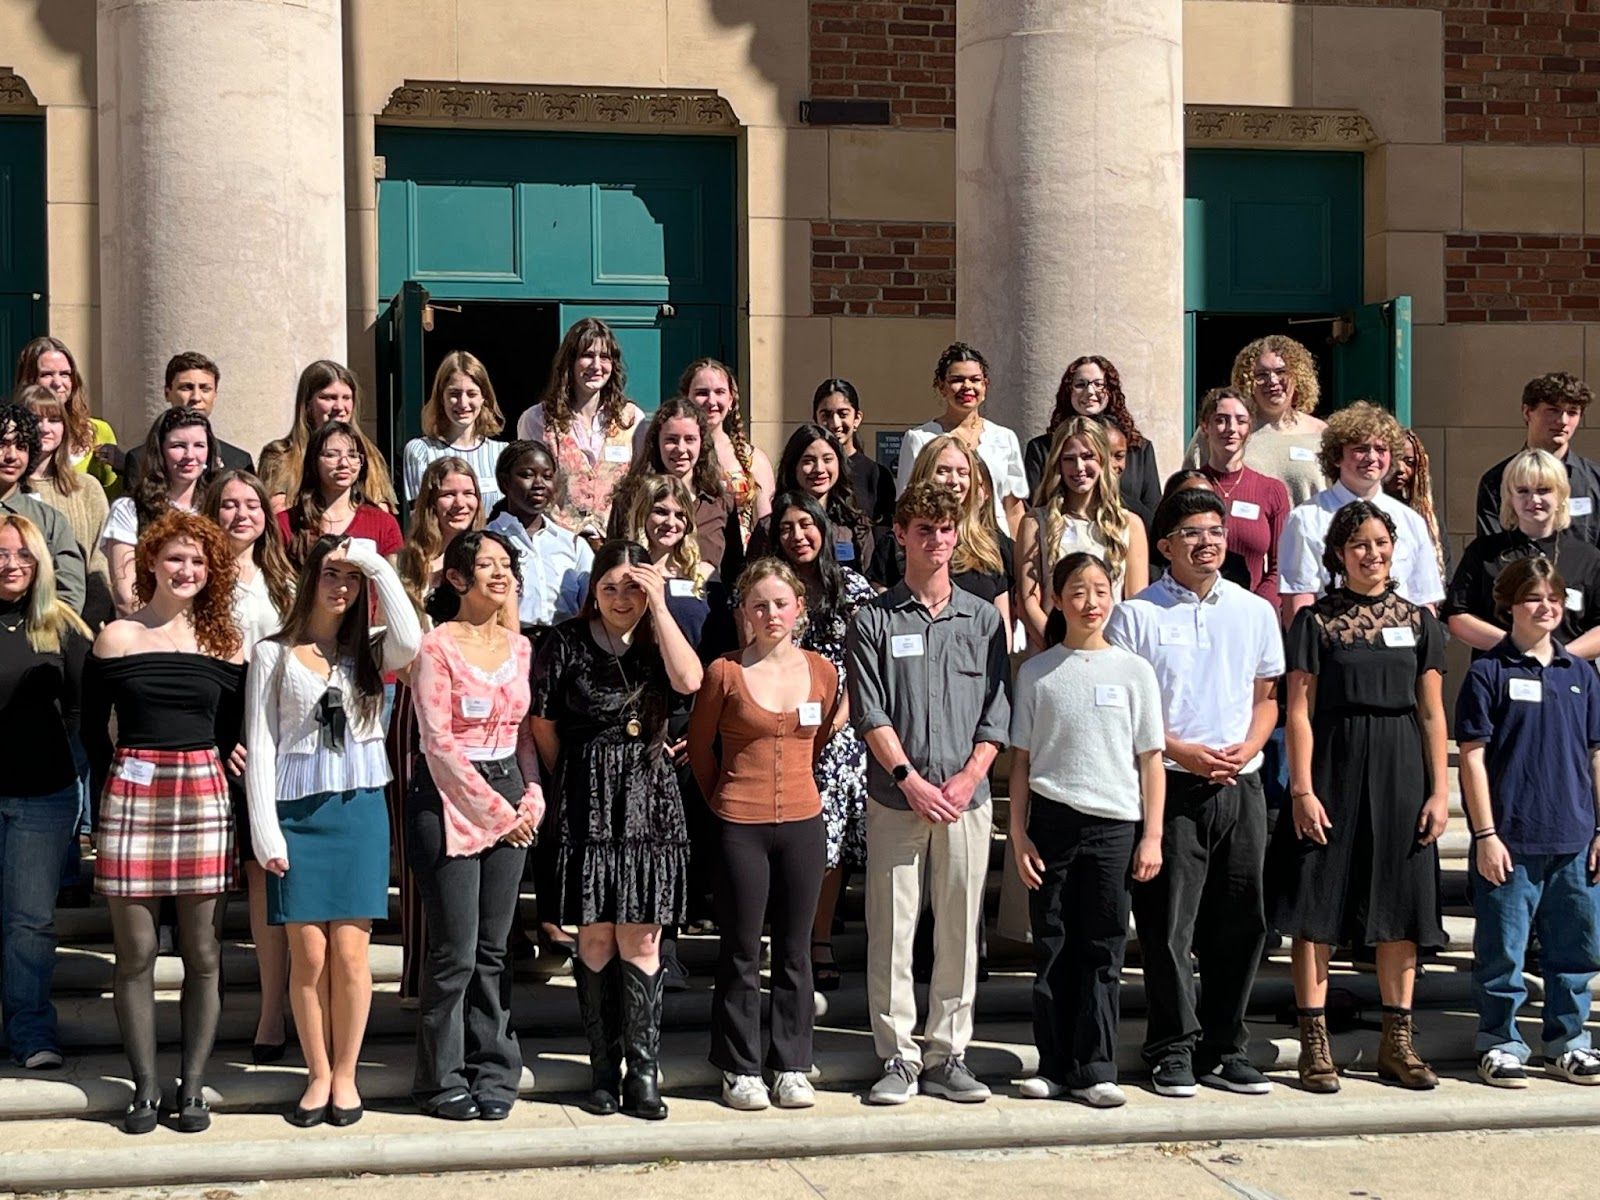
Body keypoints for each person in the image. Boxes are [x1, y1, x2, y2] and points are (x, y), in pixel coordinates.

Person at [1106, 486, 1283, 1099]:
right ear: (1164, 547)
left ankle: (1224, 1046)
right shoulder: (1136, 615)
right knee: (1169, 928)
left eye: (1215, 531)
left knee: (1241, 925)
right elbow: (1131, 709)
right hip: (1172, 787)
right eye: (1192, 534)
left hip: (1242, 784)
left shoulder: (1252, 611)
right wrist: (1180, 750)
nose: (1208, 542)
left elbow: (1267, 699)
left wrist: (1246, 746)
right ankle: (1172, 1048)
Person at [1267, 500, 1450, 1094]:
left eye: (1381, 542)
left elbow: (1431, 710)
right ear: (1339, 555)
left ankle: (1397, 1043)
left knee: (1400, 903)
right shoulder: (1315, 622)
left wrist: (1439, 790)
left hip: (1402, 770)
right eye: (1359, 545)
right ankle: (1314, 1045)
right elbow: (1298, 709)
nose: (1372, 554)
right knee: (1317, 903)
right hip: (1334, 767)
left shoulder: (1421, 622)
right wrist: (1301, 788)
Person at [246, 534, 420, 1127]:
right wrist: (265, 831)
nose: (340, 586)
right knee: (309, 956)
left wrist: (374, 563)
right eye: (330, 574)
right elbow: (263, 744)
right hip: (296, 814)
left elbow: (412, 639)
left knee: (350, 955)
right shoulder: (273, 653)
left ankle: (346, 1074)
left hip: (358, 811)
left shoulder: (371, 651)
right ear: (309, 579)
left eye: (351, 578)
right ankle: (316, 1072)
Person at [82, 510, 246, 1135]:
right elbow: (94, 731)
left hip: (203, 794)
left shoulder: (225, 643)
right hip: (132, 793)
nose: (187, 570)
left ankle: (194, 1087)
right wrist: (110, 791)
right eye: (176, 558)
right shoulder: (115, 639)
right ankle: (145, 1088)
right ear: (150, 562)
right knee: (137, 953)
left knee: (204, 951)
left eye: (199, 562)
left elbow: (232, 733)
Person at [848, 481, 1010, 1105]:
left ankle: (950, 1054)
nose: (936, 540)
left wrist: (971, 775)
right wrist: (908, 781)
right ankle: (898, 1057)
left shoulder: (984, 618)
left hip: (967, 800)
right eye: (923, 530)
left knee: (960, 930)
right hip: (898, 800)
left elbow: (998, 708)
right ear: (901, 535)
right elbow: (870, 713)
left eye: (946, 529)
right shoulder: (874, 618)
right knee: (891, 929)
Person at [531, 540, 704, 1120]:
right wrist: (579, 778)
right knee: (597, 936)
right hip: (586, 797)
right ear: (592, 591)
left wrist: (660, 605)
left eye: (633, 587)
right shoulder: (564, 643)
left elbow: (689, 681)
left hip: (649, 802)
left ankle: (644, 1071)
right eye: (610, 587)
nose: (621, 598)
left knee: (643, 937)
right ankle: (603, 1069)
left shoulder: (660, 639)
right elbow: (545, 725)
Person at [1010, 552, 1164, 1107]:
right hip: (1051, 822)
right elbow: (1022, 762)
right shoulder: (1037, 671)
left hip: (1115, 824)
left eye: (1101, 590)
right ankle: (1052, 1065)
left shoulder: (1133, 670)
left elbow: (1151, 760)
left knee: (1103, 948)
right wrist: (1019, 833)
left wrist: (1152, 835)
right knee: (1053, 944)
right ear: (1056, 598)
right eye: (1078, 591)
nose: (1090, 602)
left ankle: (1096, 1067)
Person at [688, 558, 840, 1111]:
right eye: (759, 605)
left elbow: (816, 740)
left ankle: (792, 1063)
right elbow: (702, 753)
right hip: (739, 826)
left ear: (799, 606)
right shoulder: (724, 673)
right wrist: (725, 801)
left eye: (780, 603)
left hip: (803, 823)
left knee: (797, 949)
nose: (771, 613)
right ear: (744, 613)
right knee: (741, 949)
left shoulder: (822, 672)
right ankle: (739, 1066)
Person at [405, 530, 542, 1121]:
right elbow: (436, 744)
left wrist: (532, 798)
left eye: (505, 563)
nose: (500, 572)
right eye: (486, 564)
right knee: (454, 951)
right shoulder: (435, 647)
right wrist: (497, 814)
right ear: (457, 579)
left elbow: (524, 733)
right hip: (448, 796)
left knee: (492, 949)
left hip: (508, 788)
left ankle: (495, 1068)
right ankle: (440, 1079)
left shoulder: (522, 647)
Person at [1457, 555, 1600, 1088]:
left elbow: (1595, 754)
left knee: (1575, 949)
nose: (1546, 608)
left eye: (1554, 599)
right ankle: (1499, 1040)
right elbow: (1472, 756)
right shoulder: (1488, 672)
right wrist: (1485, 834)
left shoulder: (1580, 673)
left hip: (1574, 835)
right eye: (1534, 598)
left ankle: (1569, 1040)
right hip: (1511, 837)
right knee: (1502, 950)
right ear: (1510, 606)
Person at [761, 491, 876, 991]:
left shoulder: (850, 586)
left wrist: (834, 722)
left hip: (838, 728)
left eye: (806, 524)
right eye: (786, 527)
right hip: (778, 726)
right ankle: (785, 936)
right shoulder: (768, 588)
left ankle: (819, 938)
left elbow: (866, 664)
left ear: (824, 529)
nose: (797, 535)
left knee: (827, 841)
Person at [199, 470, 296, 1061]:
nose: (241, 514)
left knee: (268, 881)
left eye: (251, 504)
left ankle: (272, 1011)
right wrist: (218, 738)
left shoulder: (286, 578)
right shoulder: (201, 579)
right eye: (229, 505)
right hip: (222, 735)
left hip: (283, 736)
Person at [390, 457, 489, 1002]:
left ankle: (471, 979)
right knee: (423, 851)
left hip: (481, 721)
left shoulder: (491, 557)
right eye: (447, 494)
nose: (459, 503)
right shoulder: (406, 564)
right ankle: (418, 977)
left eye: (468, 493)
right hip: (417, 713)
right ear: (429, 501)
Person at [0, 514, 92, 1071]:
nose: (11, 565)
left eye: (22, 555)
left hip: (42, 797)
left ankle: (31, 1031)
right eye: (1, 553)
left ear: (39, 564)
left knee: (29, 920)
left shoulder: (63, 627)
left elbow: (82, 712)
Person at [1278, 402, 1446, 623]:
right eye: (1360, 449)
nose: (1372, 457)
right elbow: (1299, 599)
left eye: (1381, 449)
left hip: (1401, 646)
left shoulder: (1410, 520)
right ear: (1337, 456)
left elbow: (1424, 600)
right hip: (1335, 646)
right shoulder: (1306, 518)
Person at [1445, 449, 1600, 660]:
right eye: (1523, 491)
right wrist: (1514, 648)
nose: (1533, 499)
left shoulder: (1588, 558)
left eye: (1544, 490)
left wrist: (1559, 657)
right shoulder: (1485, 552)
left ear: (1561, 494)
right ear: (1509, 497)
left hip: (1570, 677)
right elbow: (1457, 616)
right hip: (1501, 673)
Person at [1017, 418, 1149, 650]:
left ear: (1103, 460)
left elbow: (1136, 603)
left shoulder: (1130, 524)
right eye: (1069, 459)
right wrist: (1057, 648)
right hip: (1051, 651)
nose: (1078, 467)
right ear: (1057, 463)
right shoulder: (1035, 523)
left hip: (1112, 652)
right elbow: (1028, 600)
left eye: (1088, 457)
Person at [517, 318, 644, 541]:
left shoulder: (632, 419)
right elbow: (525, 488)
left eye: (604, 357)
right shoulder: (537, 419)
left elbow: (645, 484)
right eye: (587, 355)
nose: (596, 366)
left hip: (616, 543)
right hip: (557, 543)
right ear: (570, 362)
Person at [872, 436, 1013, 624]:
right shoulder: (895, 543)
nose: (954, 480)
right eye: (943, 471)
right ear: (925, 473)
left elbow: (1003, 626)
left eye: (963, 473)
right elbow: (882, 619)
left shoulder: (991, 544)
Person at [894, 342, 1028, 534]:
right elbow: (906, 504)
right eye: (957, 380)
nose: (967, 387)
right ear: (941, 386)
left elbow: (1014, 509)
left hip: (995, 545)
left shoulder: (1004, 438)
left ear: (985, 385)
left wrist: (1017, 556)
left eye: (975, 380)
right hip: (940, 541)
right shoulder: (920, 438)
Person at [613, 398, 744, 581]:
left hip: (708, 606)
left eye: (690, 439)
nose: (681, 449)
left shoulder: (719, 502)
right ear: (656, 442)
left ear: (702, 443)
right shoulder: (630, 498)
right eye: (671, 440)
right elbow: (612, 563)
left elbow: (735, 569)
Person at [1187, 335, 1328, 506]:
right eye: (1261, 375)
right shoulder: (1223, 430)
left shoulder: (1321, 434)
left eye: (1281, 372)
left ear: (1298, 376)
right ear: (1247, 382)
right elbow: (1188, 487)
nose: (1273, 381)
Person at [104, 407, 215, 615]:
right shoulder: (130, 509)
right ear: (160, 451)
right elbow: (125, 595)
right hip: (147, 631)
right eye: (178, 446)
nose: (190, 455)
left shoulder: (217, 507)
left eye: (199, 445)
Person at [18, 384, 112, 627]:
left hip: (79, 616)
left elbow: (101, 559)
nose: (45, 428)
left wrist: (87, 620)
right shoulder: (9, 490)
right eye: (35, 419)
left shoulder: (87, 487)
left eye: (54, 419)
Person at [1024, 356, 1161, 521]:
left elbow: (1153, 513)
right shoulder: (1042, 448)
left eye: (1098, 384)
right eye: (1080, 385)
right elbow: (1035, 505)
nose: (1090, 392)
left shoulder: (1138, 448)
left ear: (1110, 391)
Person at [256, 360, 399, 514]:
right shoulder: (281, 456)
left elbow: (382, 510)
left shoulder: (369, 454)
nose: (339, 407)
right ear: (308, 404)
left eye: (346, 398)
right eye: (329, 398)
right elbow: (275, 511)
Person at [1475, 372, 1600, 545]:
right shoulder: (1497, 480)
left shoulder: (1594, 481)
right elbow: (1491, 554)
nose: (1563, 421)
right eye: (1553, 410)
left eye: (1572, 412)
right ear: (1527, 412)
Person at [1194, 386, 1290, 604]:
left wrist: (1257, 608)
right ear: (1205, 426)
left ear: (1250, 428)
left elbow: (1280, 567)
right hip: (1194, 608)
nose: (1231, 428)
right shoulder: (1187, 485)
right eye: (1221, 420)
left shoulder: (1271, 490)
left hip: (1253, 611)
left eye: (1241, 421)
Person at [488, 440, 593, 631]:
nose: (539, 484)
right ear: (505, 482)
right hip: (510, 642)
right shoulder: (487, 540)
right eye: (527, 475)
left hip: (563, 647)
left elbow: (589, 602)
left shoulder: (573, 544)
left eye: (547, 476)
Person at [278, 421, 403, 570]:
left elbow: (395, 584)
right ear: (313, 461)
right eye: (331, 455)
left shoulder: (383, 523)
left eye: (352, 455)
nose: (344, 463)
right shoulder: (285, 523)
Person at [675, 358, 775, 538]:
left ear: (731, 399)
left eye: (719, 392)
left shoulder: (754, 459)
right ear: (686, 398)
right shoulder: (674, 454)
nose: (711, 401)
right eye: (702, 393)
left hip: (740, 562)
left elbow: (766, 526)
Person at [750, 423, 874, 569]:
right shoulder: (770, 527)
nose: (819, 469)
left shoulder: (855, 525)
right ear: (793, 466)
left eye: (827, 459)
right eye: (808, 461)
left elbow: (868, 579)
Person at [0, 403, 86, 614]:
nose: (11, 455)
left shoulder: (49, 520)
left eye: (21, 446)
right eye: (2, 444)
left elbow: (69, 593)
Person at [121, 352, 254, 479]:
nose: (196, 397)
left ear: (215, 395)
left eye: (205, 389)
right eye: (186, 388)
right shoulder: (141, 460)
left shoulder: (239, 461)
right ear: (167, 393)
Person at [402, 351, 509, 509]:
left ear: (484, 398)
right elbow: (421, 518)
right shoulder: (421, 452)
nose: (463, 403)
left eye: (471, 394)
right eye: (454, 394)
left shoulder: (502, 453)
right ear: (441, 397)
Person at [13, 336, 119, 493]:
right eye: (47, 374)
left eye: (65, 374)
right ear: (28, 379)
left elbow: (114, 493)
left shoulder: (98, 430)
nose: (58, 383)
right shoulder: (12, 432)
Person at [813, 378, 895, 531]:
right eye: (826, 415)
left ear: (857, 419)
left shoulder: (877, 475)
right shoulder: (807, 470)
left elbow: (884, 535)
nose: (835, 424)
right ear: (815, 419)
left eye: (843, 414)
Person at [1387, 428, 1449, 582]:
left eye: (1409, 462)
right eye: (1394, 460)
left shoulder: (1426, 516)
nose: (1401, 469)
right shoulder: (1364, 509)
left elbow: (1447, 570)